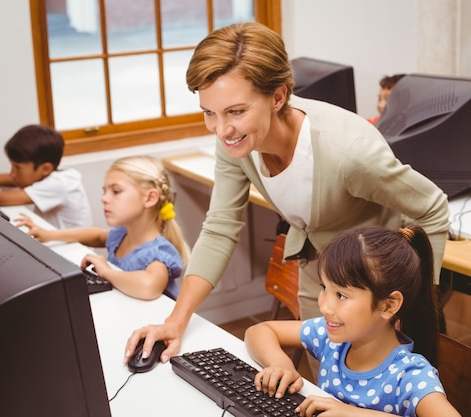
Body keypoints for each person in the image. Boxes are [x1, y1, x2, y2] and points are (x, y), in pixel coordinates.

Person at [124, 22, 449, 365]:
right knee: (327, 385)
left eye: (236, 111)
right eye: (209, 113)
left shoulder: (349, 152)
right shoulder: (237, 141)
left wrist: (410, 305)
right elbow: (220, 227)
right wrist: (175, 322)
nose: (221, 129)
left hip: (376, 289)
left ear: (278, 97)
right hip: (321, 272)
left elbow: (431, 208)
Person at [245, 225, 460, 417]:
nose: (325, 306)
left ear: (388, 305)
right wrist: (281, 365)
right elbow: (260, 331)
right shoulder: (331, 339)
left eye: (341, 295)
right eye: (324, 288)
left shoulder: (408, 375)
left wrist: (353, 414)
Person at [16, 155, 189, 301]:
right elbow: (97, 236)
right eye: (104, 191)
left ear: (150, 198)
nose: (104, 199)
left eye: (116, 191)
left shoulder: (157, 254)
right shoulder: (122, 236)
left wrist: (106, 271)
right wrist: (49, 235)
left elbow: (148, 286)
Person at [0, 124, 93, 229]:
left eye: (18, 168)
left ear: (45, 169)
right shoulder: (52, 175)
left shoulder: (58, 183)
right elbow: (15, 179)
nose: (13, 173)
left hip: (74, 245)